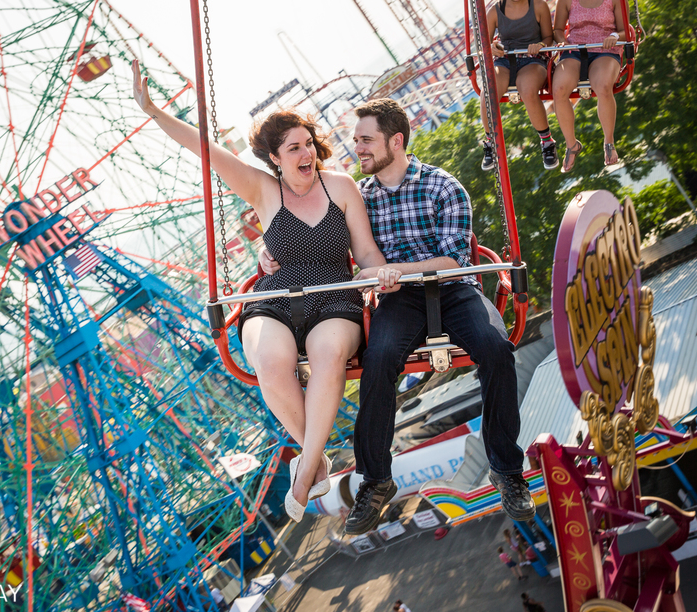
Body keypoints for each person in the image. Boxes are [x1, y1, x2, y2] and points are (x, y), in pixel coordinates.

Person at [260, 99, 535, 535]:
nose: (358, 149)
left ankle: (507, 468)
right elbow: (318, 234)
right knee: (379, 359)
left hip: (453, 289)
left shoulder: (443, 187)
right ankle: (374, 478)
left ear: (396, 141)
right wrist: (268, 248)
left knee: (497, 350)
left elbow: (454, 261)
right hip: (400, 299)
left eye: (366, 140)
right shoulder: (358, 196)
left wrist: (397, 270)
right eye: (356, 141)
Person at [132, 61, 389, 523]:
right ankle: (318, 458)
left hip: (334, 291)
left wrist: (382, 274)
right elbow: (206, 151)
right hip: (277, 293)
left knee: (329, 352)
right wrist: (152, 110)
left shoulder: (340, 186)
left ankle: (308, 465)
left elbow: (366, 252)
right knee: (270, 361)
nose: (306, 152)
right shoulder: (264, 192)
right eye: (294, 148)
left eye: (309, 143)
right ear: (275, 158)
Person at [479, 0, 558, 171]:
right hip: (506, 60)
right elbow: (483, 44)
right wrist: (492, 48)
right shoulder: (495, 11)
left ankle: (546, 141)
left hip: (534, 59)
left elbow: (548, 38)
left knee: (527, 89)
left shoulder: (538, 6)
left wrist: (540, 45)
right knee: (488, 92)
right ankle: (490, 142)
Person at [551, 0, 628, 171]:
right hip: (575, 49)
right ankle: (571, 144)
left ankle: (608, 141)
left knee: (603, 86)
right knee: (559, 90)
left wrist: (614, 37)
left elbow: (624, 31)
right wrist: (563, 41)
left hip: (605, 49)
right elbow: (557, 30)